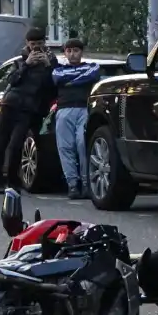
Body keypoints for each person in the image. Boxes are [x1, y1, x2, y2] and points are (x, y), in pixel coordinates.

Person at [0, 28, 60, 194]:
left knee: (16, 145)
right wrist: (26, 65)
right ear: (27, 44)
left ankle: (13, 182)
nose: (36, 47)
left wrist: (48, 65)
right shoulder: (21, 60)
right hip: (11, 104)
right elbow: (12, 80)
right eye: (33, 44)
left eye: (40, 44)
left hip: (29, 108)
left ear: (45, 43)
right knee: (1, 142)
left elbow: (54, 84)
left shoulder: (51, 60)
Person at [51, 38, 101, 199]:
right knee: (66, 148)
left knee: (83, 145)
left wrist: (70, 81)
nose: (72, 54)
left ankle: (87, 184)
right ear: (65, 53)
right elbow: (58, 79)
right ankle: (72, 184)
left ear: (82, 52)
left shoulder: (92, 67)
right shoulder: (58, 70)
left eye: (76, 51)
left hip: (84, 109)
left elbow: (92, 75)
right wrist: (79, 79)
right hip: (64, 110)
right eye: (69, 51)